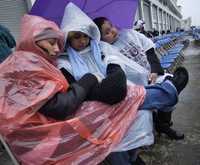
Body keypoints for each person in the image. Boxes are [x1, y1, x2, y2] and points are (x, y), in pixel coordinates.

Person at [0, 13, 187, 165]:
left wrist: (107, 74)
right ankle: (167, 92)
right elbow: (65, 104)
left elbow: (115, 85)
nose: (56, 49)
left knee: (122, 106)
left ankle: (165, 95)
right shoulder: (34, 65)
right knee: (117, 109)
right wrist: (94, 79)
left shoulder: (36, 61)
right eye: (75, 37)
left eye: (85, 36)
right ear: (34, 40)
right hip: (46, 135)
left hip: (53, 125)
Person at [93, 16, 187, 141]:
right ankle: (163, 125)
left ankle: (163, 124)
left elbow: (150, 51)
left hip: (154, 76)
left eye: (111, 27)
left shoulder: (129, 34)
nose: (113, 31)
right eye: (107, 32)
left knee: (181, 77)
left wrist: (154, 70)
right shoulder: (104, 53)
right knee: (163, 96)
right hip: (138, 88)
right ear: (100, 39)